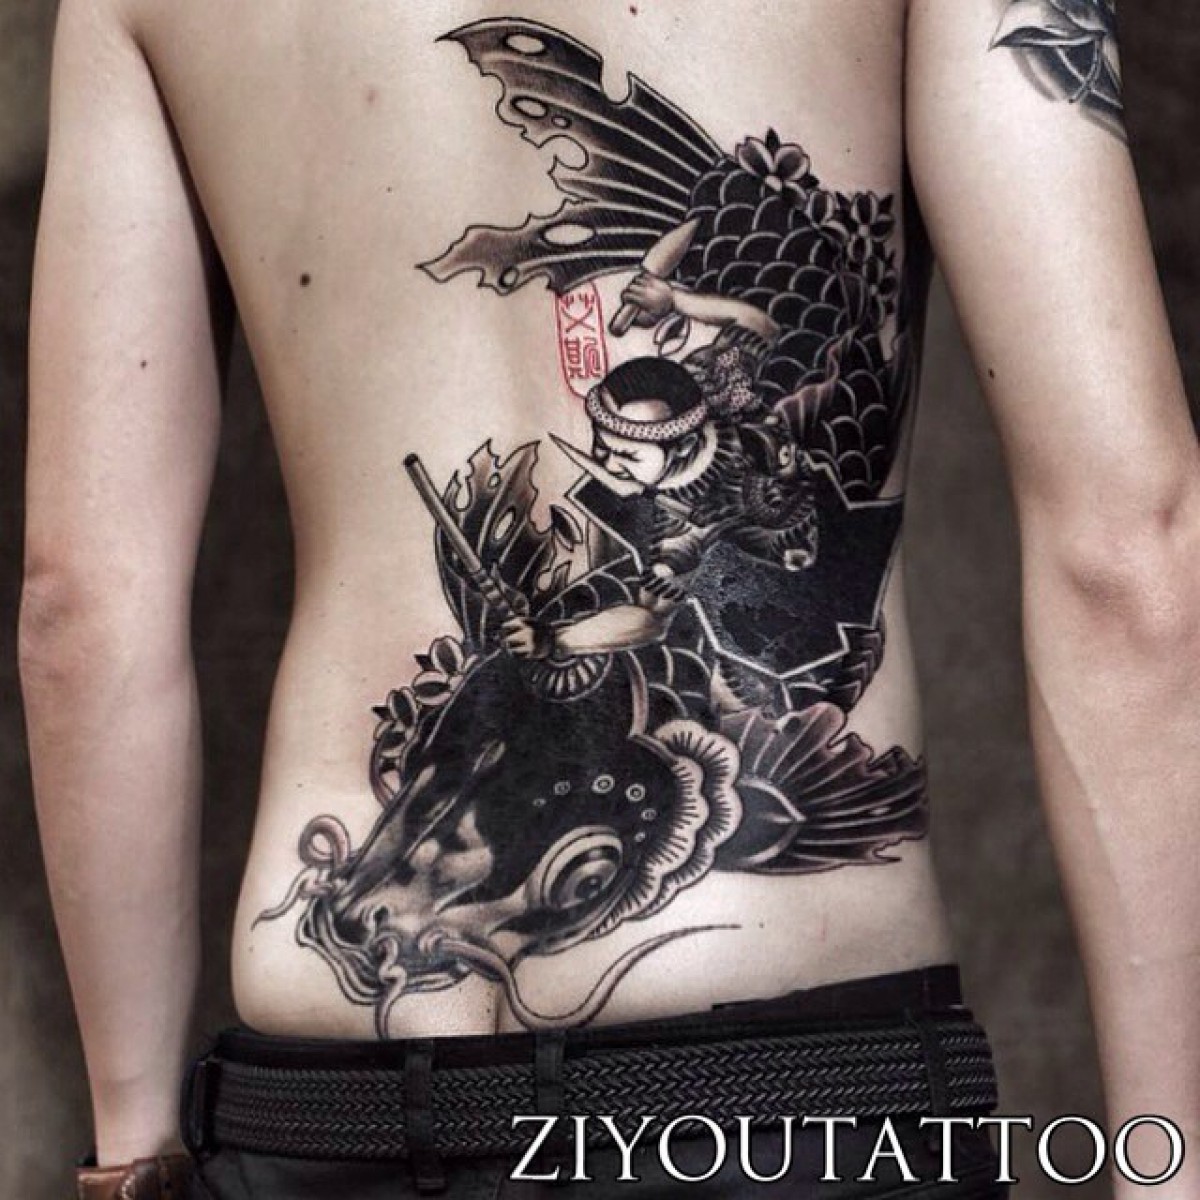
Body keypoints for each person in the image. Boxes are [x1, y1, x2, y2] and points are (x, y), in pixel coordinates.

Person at [21, 1, 1198, 1197]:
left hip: (328, 1118)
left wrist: (131, 1160)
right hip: (774, 1112)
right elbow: (1128, 546)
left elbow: (82, 610)